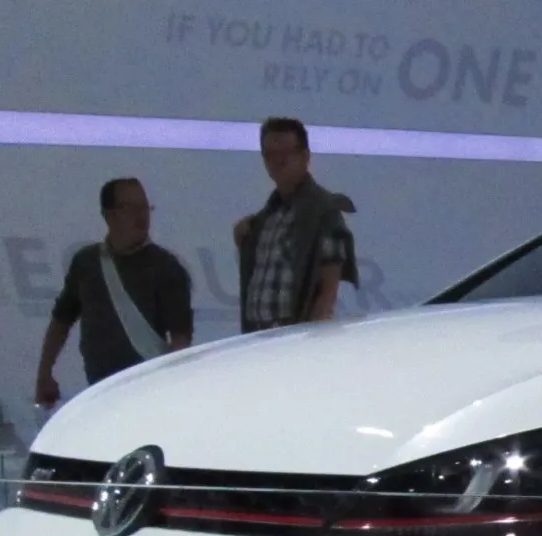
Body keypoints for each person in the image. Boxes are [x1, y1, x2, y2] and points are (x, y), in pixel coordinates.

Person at [34, 177, 193, 406]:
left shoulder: (167, 268)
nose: (141, 215)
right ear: (108, 215)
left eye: (144, 207)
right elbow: (61, 320)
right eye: (130, 207)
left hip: (149, 393)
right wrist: (44, 373)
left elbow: (180, 339)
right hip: (100, 392)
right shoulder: (86, 262)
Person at [232, 117, 359, 332]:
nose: (278, 161)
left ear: (305, 156)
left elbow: (328, 287)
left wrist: (312, 333)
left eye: (286, 153)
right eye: (270, 154)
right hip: (257, 335)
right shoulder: (266, 218)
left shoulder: (323, 212)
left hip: (293, 336)